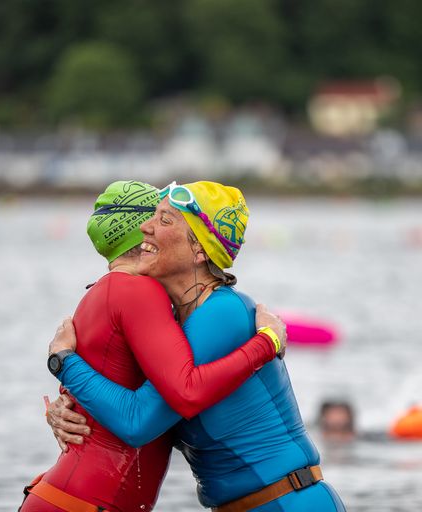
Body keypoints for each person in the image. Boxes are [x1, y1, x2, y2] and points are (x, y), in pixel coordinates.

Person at [47, 181, 347, 511]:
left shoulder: (223, 312)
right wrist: (68, 408)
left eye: (163, 220)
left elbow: (139, 421)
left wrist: (65, 362)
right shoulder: (175, 330)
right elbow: (137, 411)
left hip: (290, 502)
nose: (145, 227)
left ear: (199, 250)